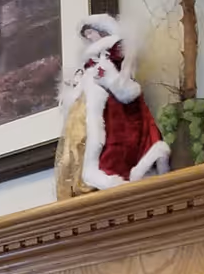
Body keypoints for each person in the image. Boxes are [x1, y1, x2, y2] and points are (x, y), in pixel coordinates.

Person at [55, 12, 170, 197]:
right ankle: (90, 175)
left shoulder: (112, 51)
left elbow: (123, 82)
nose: (89, 37)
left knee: (115, 137)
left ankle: (109, 172)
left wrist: (106, 77)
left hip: (112, 107)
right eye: (87, 35)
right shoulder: (91, 62)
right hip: (94, 105)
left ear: (101, 31)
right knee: (90, 136)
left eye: (91, 33)